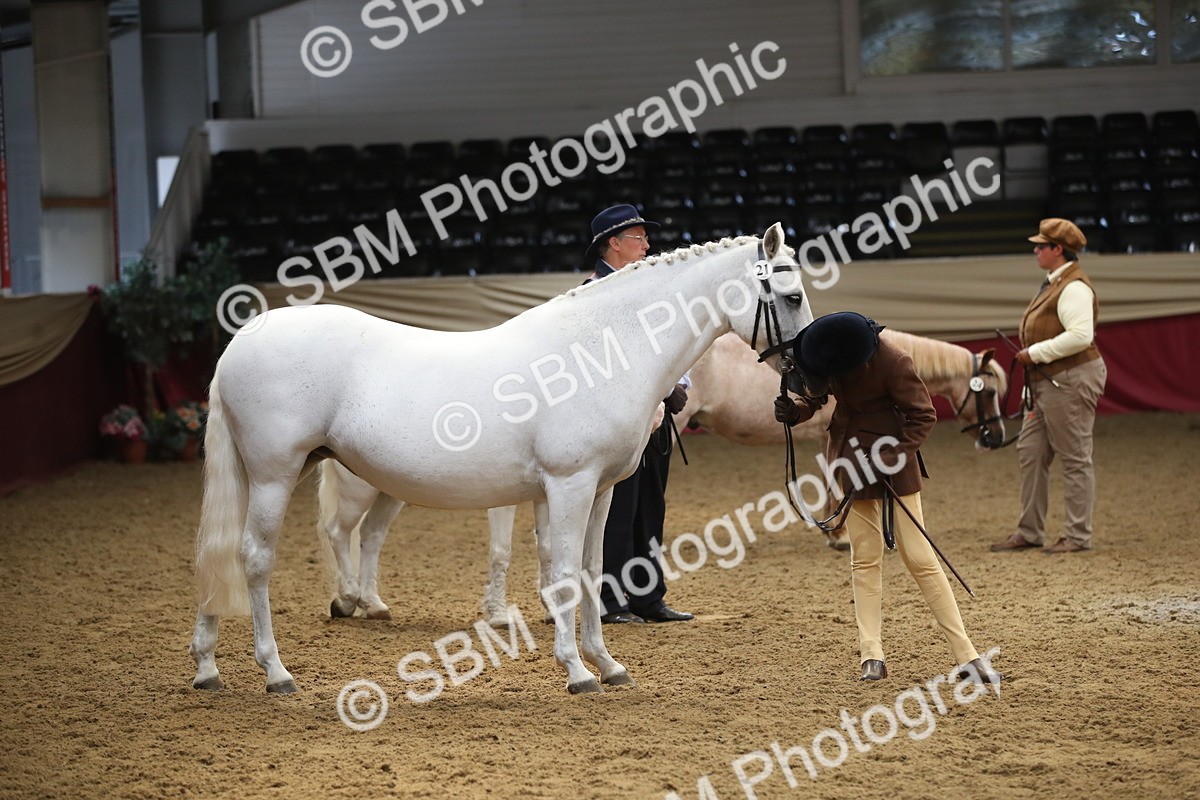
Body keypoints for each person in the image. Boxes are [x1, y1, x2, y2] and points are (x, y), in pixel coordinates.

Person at [775, 312, 1001, 683]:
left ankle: (967, 656)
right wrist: (795, 411)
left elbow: (923, 416)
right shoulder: (833, 356)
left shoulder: (895, 361)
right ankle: (871, 656)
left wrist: (891, 457)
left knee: (920, 558)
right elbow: (816, 397)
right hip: (852, 460)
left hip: (893, 465)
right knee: (864, 558)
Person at [582, 204, 693, 624]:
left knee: (650, 506)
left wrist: (680, 384)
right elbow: (614, 360)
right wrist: (665, 389)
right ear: (613, 243)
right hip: (616, 422)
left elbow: (670, 344)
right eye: (638, 238)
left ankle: (647, 596)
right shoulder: (594, 293)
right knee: (617, 511)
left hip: (653, 418)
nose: (648, 245)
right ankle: (611, 601)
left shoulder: (650, 290)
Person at [992, 218, 1106, 555]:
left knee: (1074, 457)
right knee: (1030, 453)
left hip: (1070, 379)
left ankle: (1078, 535)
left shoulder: (1073, 287)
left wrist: (1035, 353)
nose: (1036, 250)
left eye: (1041, 246)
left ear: (1058, 250)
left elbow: (1081, 336)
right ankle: (1029, 531)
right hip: (1048, 382)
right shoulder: (1054, 283)